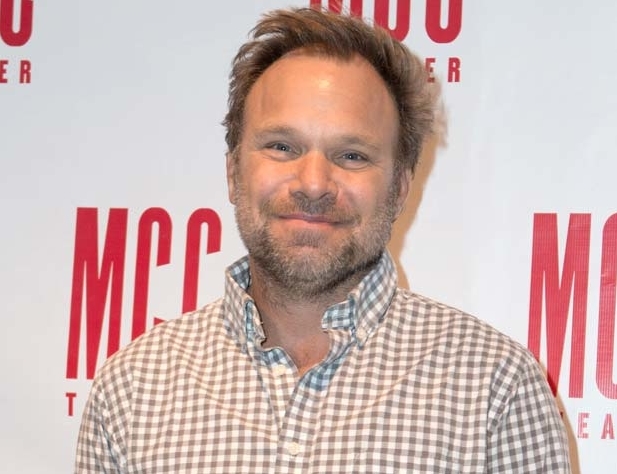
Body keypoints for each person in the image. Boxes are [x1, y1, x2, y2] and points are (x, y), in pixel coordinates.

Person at [75, 7, 571, 473]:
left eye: (352, 155)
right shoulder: (132, 390)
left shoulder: (495, 388)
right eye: (282, 146)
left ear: (399, 188)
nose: (313, 183)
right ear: (233, 172)